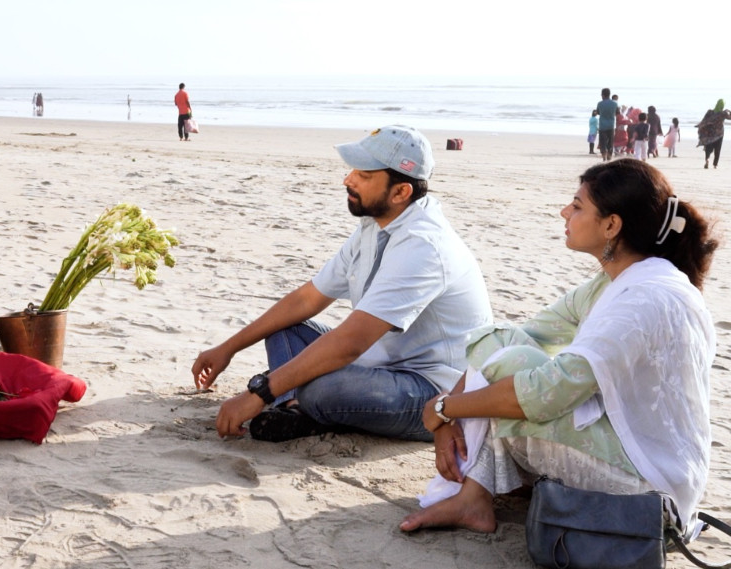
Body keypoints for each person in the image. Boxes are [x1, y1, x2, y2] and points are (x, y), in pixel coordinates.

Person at [400, 159, 718, 542]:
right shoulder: (617, 281)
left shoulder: (642, 300)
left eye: (578, 205)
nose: (564, 212)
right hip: (628, 452)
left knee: (515, 369)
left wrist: (441, 410)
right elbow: (514, 337)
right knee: (505, 350)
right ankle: (473, 497)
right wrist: (447, 409)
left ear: (611, 226)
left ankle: (473, 496)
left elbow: (544, 395)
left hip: (649, 484)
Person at [193, 125, 493, 442]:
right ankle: (300, 406)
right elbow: (307, 300)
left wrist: (260, 393)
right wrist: (227, 348)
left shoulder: (424, 247)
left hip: (433, 391)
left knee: (324, 390)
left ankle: (301, 404)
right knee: (282, 328)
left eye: (363, 175)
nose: (347, 180)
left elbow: (351, 342)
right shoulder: (374, 225)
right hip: (377, 364)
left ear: (401, 192)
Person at [697, 99, 731, 169]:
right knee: (717, 149)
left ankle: (707, 159)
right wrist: (729, 111)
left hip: (710, 134)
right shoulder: (723, 113)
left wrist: (701, 127)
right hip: (719, 134)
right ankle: (715, 165)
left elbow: (704, 121)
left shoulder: (710, 112)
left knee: (708, 147)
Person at [595, 88, 619, 161]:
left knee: (602, 142)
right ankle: (609, 155)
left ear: (603, 95)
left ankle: (604, 155)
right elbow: (618, 113)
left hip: (602, 125)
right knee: (610, 141)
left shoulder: (600, 103)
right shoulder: (615, 103)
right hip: (611, 125)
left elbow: (598, 112)